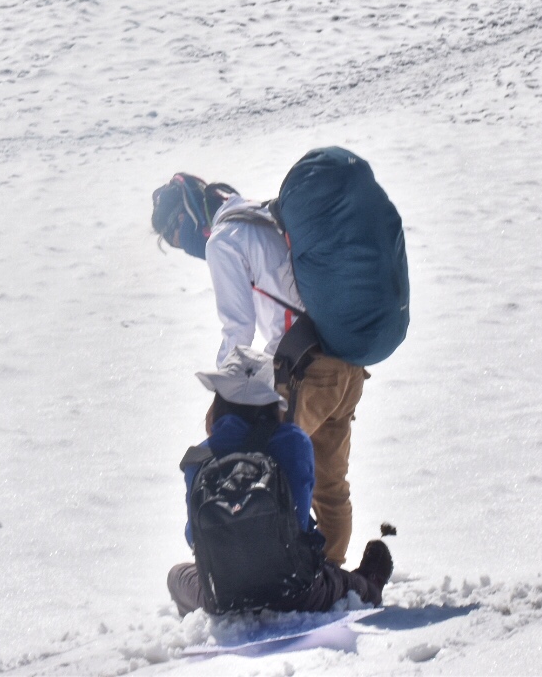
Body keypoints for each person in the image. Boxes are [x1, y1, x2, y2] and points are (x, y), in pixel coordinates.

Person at [153, 172, 369, 567]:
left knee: (256, 467)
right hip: (347, 361)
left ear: (187, 217)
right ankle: (331, 577)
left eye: (176, 235)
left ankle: (277, 578)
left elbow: (238, 330)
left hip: (309, 369)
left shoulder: (223, 240)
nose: (182, 245)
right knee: (331, 487)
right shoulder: (262, 216)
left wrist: (228, 395)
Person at [167, 347, 392, 616]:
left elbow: (194, 538)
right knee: (350, 583)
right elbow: (298, 523)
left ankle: (208, 622)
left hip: (224, 597)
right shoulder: (293, 442)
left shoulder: (198, 459)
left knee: (176, 576)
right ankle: (368, 583)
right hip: (297, 592)